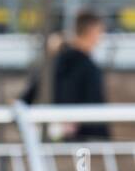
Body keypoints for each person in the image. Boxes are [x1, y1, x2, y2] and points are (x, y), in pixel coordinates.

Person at [19, 9, 111, 141]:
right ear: (91, 32)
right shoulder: (88, 67)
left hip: (58, 139)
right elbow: (95, 107)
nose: (100, 37)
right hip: (82, 142)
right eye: (99, 32)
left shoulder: (56, 61)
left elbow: (27, 97)